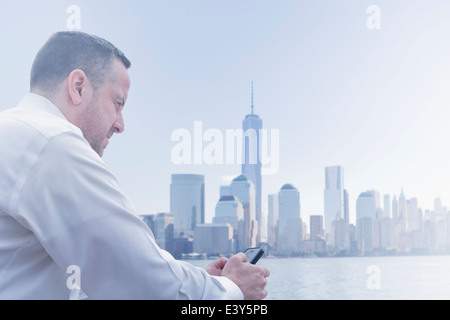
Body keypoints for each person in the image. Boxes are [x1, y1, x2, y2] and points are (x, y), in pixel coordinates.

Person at [0, 31, 269, 300]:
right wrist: (232, 289)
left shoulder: (18, 135)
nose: (120, 124)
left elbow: (98, 281)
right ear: (78, 86)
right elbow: (145, 286)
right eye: (117, 103)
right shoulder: (53, 143)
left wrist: (205, 282)